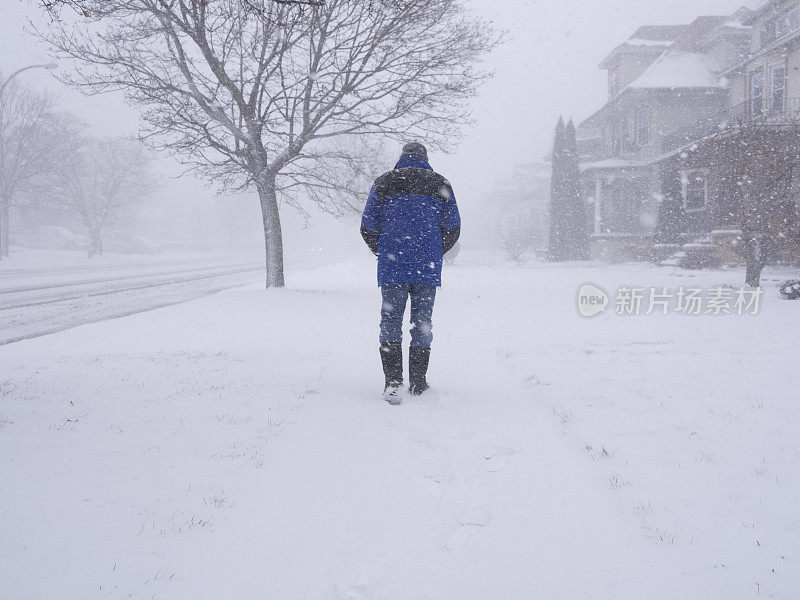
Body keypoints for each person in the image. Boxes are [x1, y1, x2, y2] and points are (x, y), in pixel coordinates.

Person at [360, 142, 461, 404]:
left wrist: (383, 249)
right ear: (425, 158)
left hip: (393, 267)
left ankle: (393, 382)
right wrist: (435, 251)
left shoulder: (384, 183)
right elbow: (453, 226)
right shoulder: (441, 183)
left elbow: (367, 225)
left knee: (391, 322)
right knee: (422, 323)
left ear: (402, 158)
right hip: (426, 268)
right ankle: (418, 381)